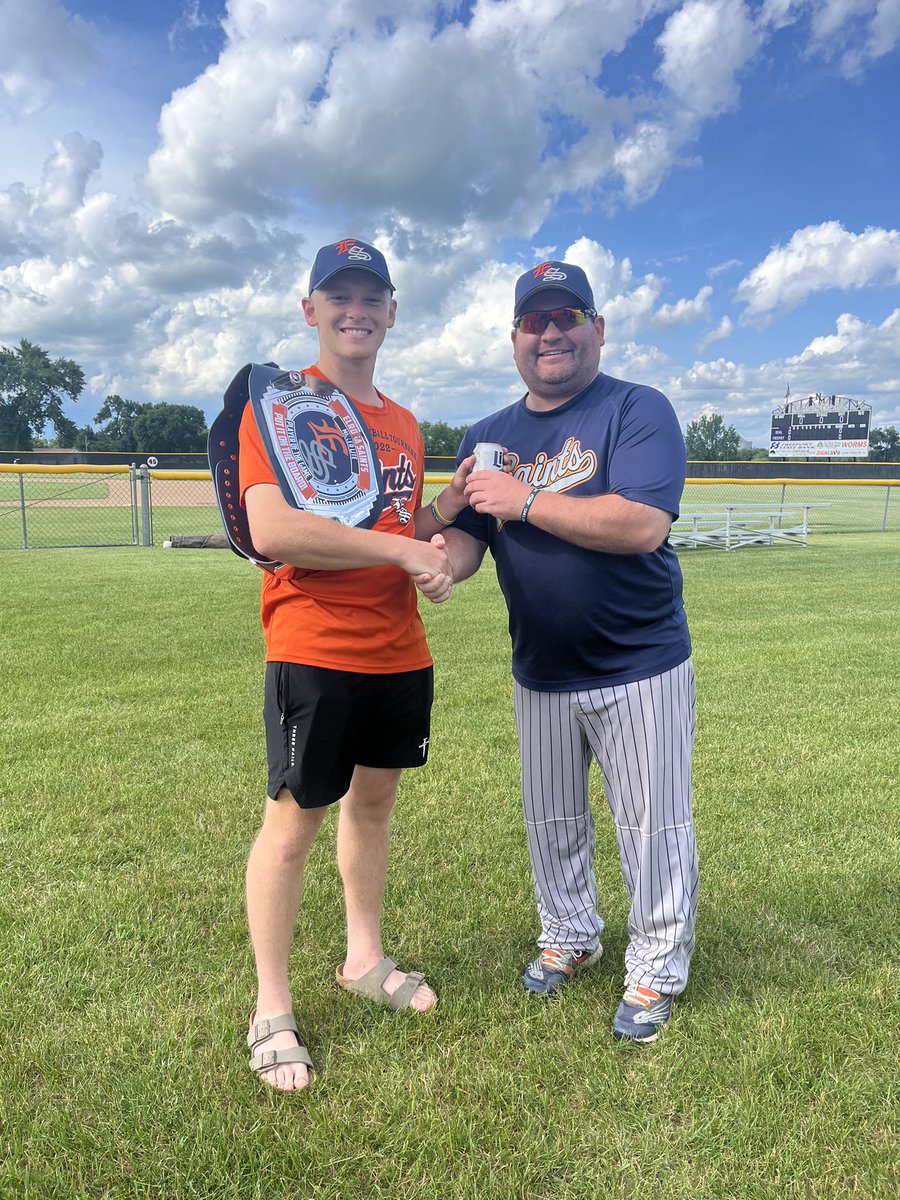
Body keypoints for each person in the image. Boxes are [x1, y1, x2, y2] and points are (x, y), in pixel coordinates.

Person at [438, 259, 698, 1043]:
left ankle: (656, 969)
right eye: (534, 320)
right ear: (514, 337)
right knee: (550, 819)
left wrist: (526, 500)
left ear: (597, 328)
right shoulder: (487, 436)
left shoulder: (635, 408)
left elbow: (641, 523)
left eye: (567, 316)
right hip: (541, 666)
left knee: (651, 825)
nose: (550, 332)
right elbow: (462, 545)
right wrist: (431, 555)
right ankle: (571, 936)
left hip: (640, 660)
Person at [238, 238, 467, 1090]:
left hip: (398, 649)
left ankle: (362, 960)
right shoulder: (283, 406)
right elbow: (276, 532)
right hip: (316, 644)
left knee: (373, 808)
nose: (356, 310)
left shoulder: (404, 424)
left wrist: (438, 527)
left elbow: (393, 532)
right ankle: (271, 1006)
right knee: (293, 825)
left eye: (372, 297)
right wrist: (399, 551)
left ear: (393, 312)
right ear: (310, 310)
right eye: (338, 296)